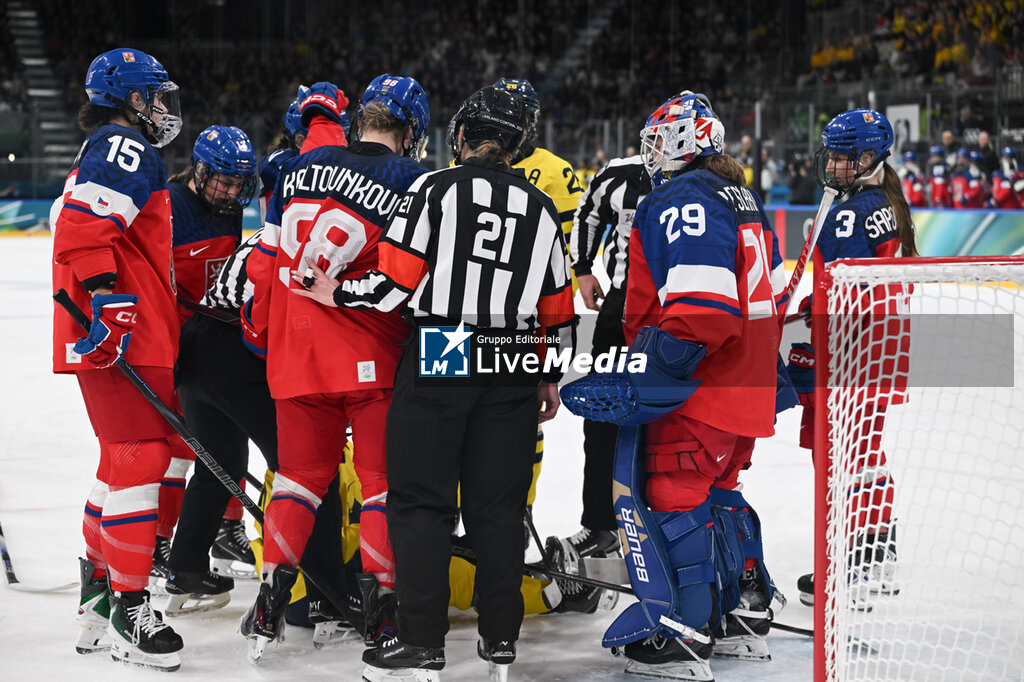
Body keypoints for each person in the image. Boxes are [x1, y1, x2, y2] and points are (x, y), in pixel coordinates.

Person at [299, 85, 576, 681]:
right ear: (516, 146)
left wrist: (335, 291)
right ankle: (500, 640)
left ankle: (422, 642)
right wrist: (547, 374)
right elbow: (559, 309)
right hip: (514, 356)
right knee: (497, 510)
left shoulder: (434, 188)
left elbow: (395, 283)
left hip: (444, 347)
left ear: (462, 136)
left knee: (422, 504)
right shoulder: (540, 206)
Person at [569, 91, 786, 680]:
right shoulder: (741, 197)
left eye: (662, 139)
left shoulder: (681, 196)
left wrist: (650, 374)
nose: (653, 152)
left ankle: (683, 633)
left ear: (690, 140)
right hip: (747, 383)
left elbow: (701, 312)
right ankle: (743, 616)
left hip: (702, 386)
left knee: (672, 494)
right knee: (720, 490)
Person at [239, 75, 430, 663]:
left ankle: (272, 593)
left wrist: (264, 334)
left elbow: (265, 264)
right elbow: (410, 276)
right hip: (369, 350)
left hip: (295, 354)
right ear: (410, 130)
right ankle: (381, 614)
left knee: (297, 481)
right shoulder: (410, 179)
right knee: (379, 486)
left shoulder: (298, 166)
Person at [52, 47, 184, 671]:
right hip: (122, 330)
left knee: (118, 462)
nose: (163, 107)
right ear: (132, 99)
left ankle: (100, 602)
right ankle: (131, 606)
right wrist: (109, 304)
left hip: (120, 328)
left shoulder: (104, 147)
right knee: (141, 459)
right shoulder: (123, 146)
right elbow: (81, 228)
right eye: (155, 95)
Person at [790, 108, 917, 609]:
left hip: (853, 349)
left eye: (844, 157)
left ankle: (855, 570)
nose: (834, 165)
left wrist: (814, 330)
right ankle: (876, 557)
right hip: (884, 344)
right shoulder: (889, 199)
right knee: (866, 453)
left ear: (868, 157)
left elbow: (840, 290)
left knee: (842, 456)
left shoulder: (848, 212)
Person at [158, 124, 258, 614]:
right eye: (224, 180)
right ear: (199, 170)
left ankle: (194, 555)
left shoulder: (231, 207)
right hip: (181, 344)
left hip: (216, 340)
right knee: (183, 453)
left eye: (240, 183)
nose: (233, 191)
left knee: (221, 453)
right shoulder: (171, 206)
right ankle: (167, 547)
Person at [547, 149, 651, 612]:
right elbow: (590, 212)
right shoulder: (624, 172)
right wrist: (584, 267)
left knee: (666, 423)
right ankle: (603, 526)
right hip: (622, 308)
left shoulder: (708, 179)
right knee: (602, 415)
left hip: (671, 315)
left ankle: (661, 522)